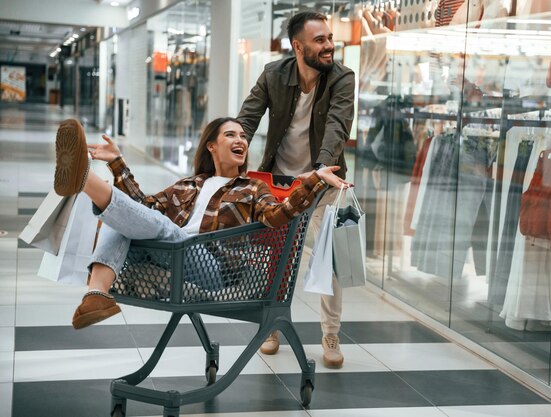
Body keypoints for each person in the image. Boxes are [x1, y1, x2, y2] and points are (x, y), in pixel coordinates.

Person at [52, 117, 350, 330]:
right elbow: (141, 208)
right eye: (231, 135)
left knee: (157, 225)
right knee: (125, 220)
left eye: (244, 136)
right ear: (211, 146)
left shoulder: (252, 189)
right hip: (172, 253)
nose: (240, 141)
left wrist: (313, 180)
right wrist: (117, 163)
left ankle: (84, 180)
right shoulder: (188, 184)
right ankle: (97, 295)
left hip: (211, 268)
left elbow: (277, 215)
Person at [237, 10, 355, 368]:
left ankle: (330, 333)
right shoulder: (274, 74)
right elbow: (248, 118)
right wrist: (233, 154)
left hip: (325, 181)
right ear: (297, 46)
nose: (329, 46)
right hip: (280, 183)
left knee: (328, 259)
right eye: (320, 40)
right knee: (278, 259)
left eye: (330, 38)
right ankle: (271, 326)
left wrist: (319, 170)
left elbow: (337, 124)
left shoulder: (342, 78)